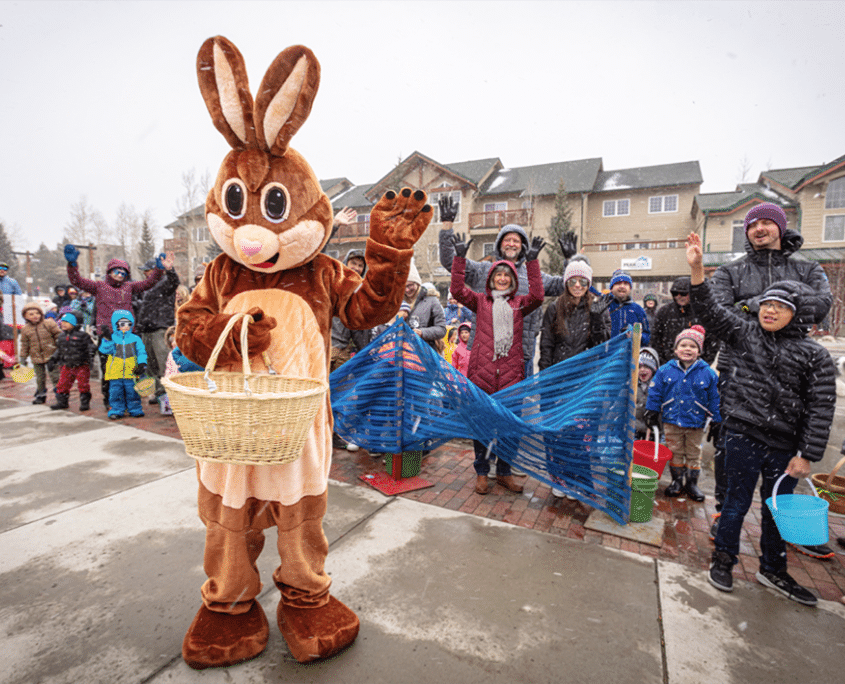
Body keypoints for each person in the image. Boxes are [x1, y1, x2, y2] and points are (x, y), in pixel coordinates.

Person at [686, 232, 835, 607]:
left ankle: (773, 569)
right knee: (734, 504)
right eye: (766, 304)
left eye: (779, 306)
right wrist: (697, 270)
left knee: (775, 509)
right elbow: (710, 311)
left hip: (784, 446)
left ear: (796, 313)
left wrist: (807, 454)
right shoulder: (744, 333)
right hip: (742, 435)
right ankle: (724, 560)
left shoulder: (814, 356)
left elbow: (821, 408)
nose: (769, 311)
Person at [708, 202, 833, 558]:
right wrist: (771, 304)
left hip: (793, 366)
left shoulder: (807, 268)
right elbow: (721, 312)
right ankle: (724, 512)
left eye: (766, 222)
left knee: (788, 446)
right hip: (739, 364)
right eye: (752, 224)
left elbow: (822, 305)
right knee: (730, 443)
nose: (759, 229)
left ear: (781, 227)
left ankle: (785, 519)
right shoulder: (731, 271)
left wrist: (754, 305)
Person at [450, 232, 545, 495]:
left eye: (507, 275)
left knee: (509, 428)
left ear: (513, 281)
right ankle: (482, 473)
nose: (502, 278)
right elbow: (457, 290)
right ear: (491, 278)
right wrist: (459, 258)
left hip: (511, 377)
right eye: (498, 275)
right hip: (482, 375)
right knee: (481, 427)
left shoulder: (519, 304)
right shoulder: (480, 301)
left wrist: (532, 262)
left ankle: (504, 472)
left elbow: (538, 296)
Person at [438, 196, 577, 376]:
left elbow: (564, 285)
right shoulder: (483, 270)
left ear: (523, 246)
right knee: (482, 394)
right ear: (499, 244)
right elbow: (450, 262)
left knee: (517, 395)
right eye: (507, 240)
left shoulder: (534, 276)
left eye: (516, 241)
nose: (511, 244)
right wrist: (447, 226)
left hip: (521, 355)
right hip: (483, 354)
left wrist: (571, 261)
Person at [64, 245, 171, 406]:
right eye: (117, 271)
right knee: (109, 370)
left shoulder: (129, 287)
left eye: (123, 273)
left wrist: (158, 269)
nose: (120, 275)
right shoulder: (99, 286)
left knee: (129, 370)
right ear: (109, 271)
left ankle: (129, 400)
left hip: (127, 335)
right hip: (107, 335)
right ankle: (110, 400)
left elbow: (149, 283)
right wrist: (72, 265)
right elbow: (77, 281)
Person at [644, 325, 721, 501]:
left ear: (699, 351)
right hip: (671, 420)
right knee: (675, 452)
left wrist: (716, 419)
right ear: (676, 349)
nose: (688, 349)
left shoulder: (708, 373)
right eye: (683, 345)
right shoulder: (665, 370)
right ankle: (677, 481)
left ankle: (692, 483)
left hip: (696, 422)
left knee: (693, 453)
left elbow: (714, 398)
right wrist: (652, 411)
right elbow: (655, 392)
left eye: (693, 346)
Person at [538, 259, 610, 370]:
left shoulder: (597, 307)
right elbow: (547, 345)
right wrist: (544, 374)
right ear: (566, 283)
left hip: (587, 372)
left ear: (588, 284)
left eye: (583, 281)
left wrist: (597, 320)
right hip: (560, 371)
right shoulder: (555, 308)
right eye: (572, 281)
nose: (577, 285)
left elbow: (602, 345)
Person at [134, 257, 180, 405]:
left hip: (160, 329)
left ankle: (169, 394)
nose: (145, 273)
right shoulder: (147, 286)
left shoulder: (165, 282)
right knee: (151, 365)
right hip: (147, 329)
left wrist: (170, 270)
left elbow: (174, 281)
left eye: (147, 270)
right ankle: (160, 393)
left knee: (163, 363)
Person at [650, 277, 717, 365]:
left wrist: (702, 364)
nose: (678, 296)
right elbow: (655, 339)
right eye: (675, 293)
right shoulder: (664, 312)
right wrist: (663, 363)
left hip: (697, 365)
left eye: (683, 293)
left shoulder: (702, 312)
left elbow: (712, 341)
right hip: (669, 364)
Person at [98, 309, 148, 420]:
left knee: (133, 392)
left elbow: (141, 352)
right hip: (115, 372)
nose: (126, 326)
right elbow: (104, 350)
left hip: (131, 371)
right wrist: (107, 339)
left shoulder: (135, 338)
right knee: (115, 392)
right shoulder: (112, 338)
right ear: (116, 324)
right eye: (122, 324)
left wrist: (142, 363)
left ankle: (135, 409)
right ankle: (117, 410)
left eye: (129, 324)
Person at [48, 311, 96, 411]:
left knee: (83, 384)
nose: (63, 324)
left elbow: (91, 347)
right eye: (62, 321)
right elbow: (59, 349)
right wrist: (53, 359)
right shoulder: (61, 336)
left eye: (67, 322)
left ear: (75, 323)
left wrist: (90, 357)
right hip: (66, 365)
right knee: (62, 384)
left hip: (81, 365)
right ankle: (62, 402)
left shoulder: (83, 335)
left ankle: (84, 402)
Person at [18, 302, 61, 404]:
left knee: (55, 377)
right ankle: (41, 395)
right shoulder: (25, 329)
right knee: (40, 378)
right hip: (36, 357)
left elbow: (59, 336)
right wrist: (23, 357)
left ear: (41, 314)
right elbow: (25, 345)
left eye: (37, 313)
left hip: (52, 355)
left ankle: (60, 395)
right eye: (31, 314)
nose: (35, 316)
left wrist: (59, 350)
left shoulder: (48, 323)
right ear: (25, 316)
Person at [404, 260, 446, 351]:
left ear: (417, 283)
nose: (407, 290)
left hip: (425, 351)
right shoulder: (398, 302)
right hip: (404, 351)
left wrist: (422, 332)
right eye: (404, 286)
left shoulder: (431, 300)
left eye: (410, 285)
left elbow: (442, 329)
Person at [603, 270, 650, 345]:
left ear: (630, 288)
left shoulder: (638, 309)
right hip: (606, 351)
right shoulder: (603, 307)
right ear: (611, 288)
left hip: (630, 351)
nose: (622, 286)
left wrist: (637, 336)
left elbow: (647, 335)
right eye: (618, 283)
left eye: (625, 284)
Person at [634, 346, 660, 441]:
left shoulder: (659, 386)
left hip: (653, 431)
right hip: (634, 429)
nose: (642, 370)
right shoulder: (632, 385)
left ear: (653, 369)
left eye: (646, 367)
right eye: (639, 367)